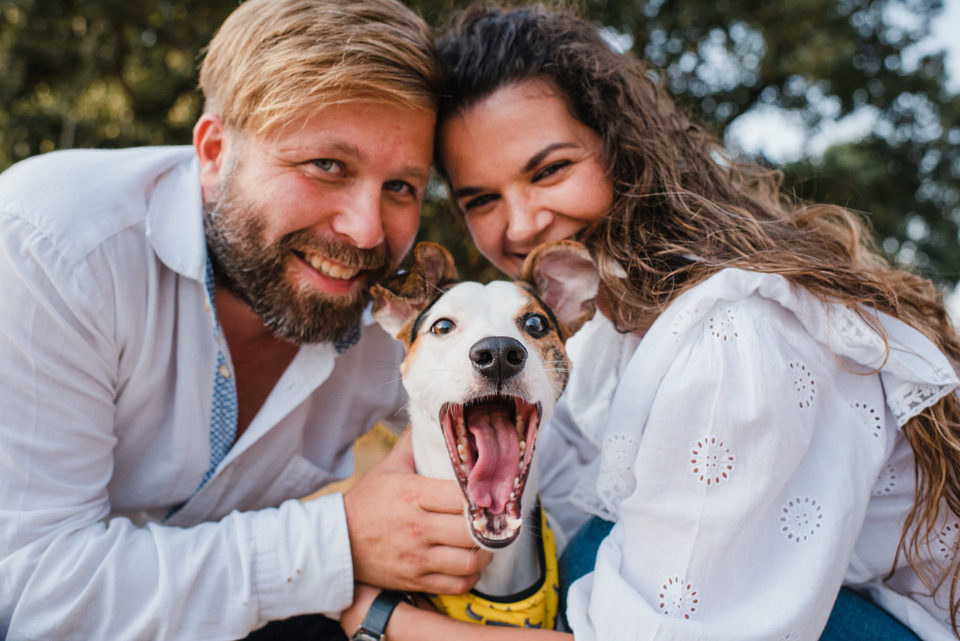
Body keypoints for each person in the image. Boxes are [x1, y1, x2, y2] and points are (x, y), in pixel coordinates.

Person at [339, 5, 960, 640]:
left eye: (550, 170)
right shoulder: (614, 327)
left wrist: (377, 619)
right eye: (482, 199)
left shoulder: (732, 336)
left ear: (622, 149)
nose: (521, 226)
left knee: (588, 559)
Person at [0, 1, 492, 639]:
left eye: (400, 186)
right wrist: (338, 544)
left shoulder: (397, 323)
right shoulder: (54, 247)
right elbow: (31, 591)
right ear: (213, 152)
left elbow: (556, 464)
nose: (367, 230)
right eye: (327, 166)